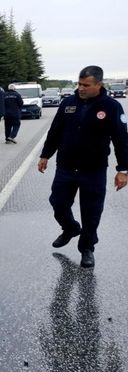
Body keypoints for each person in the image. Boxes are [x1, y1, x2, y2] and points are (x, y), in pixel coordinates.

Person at [38, 65, 128, 268]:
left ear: (99, 84)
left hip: (93, 170)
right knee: (58, 202)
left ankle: (87, 248)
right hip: (66, 167)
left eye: (86, 85)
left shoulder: (112, 106)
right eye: (79, 84)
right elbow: (55, 131)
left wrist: (123, 170)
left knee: (91, 212)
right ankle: (70, 227)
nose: (81, 88)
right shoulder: (68, 103)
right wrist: (45, 155)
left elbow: (122, 140)